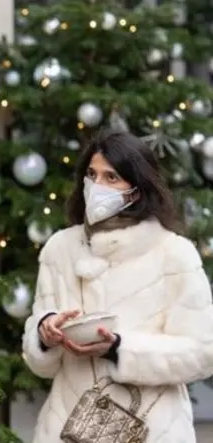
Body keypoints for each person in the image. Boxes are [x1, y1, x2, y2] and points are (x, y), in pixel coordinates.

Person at [22, 129, 213, 443]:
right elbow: (41, 365)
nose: (97, 186)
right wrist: (44, 335)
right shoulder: (60, 249)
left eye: (112, 178)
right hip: (68, 427)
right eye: (92, 174)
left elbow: (203, 353)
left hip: (154, 429)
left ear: (135, 190)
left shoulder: (174, 254)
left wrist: (119, 348)